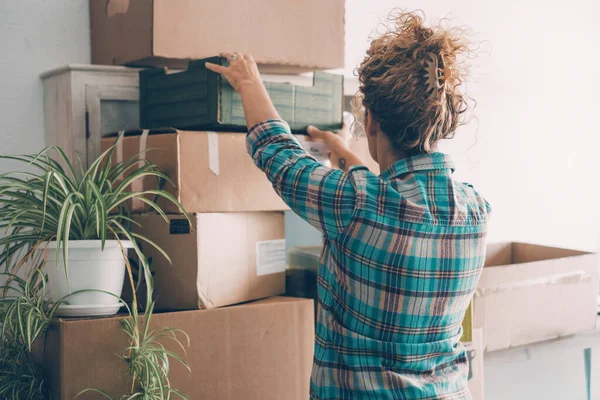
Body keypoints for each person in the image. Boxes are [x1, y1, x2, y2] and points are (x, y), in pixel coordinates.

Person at [206, 10, 490, 400]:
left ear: (371, 121)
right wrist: (343, 154)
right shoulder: (476, 212)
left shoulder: (355, 204)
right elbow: (393, 204)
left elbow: (280, 155)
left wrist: (249, 81)